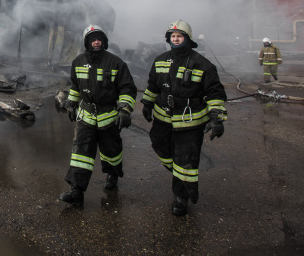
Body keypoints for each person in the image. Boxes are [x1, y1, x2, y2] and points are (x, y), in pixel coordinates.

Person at [140, 20, 227, 216]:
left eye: (179, 36)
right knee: (159, 145)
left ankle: (181, 197)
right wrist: (147, 103)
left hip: (190, 120)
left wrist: (217, 119)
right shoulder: (161, 60)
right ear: (169, 39)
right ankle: (179, 175)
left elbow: (215, 93)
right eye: (173, 36)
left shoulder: (203, 64)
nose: (176, 39)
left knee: (185, 158)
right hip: (163, 117)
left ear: (187, 39)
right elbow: (153, 85)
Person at [59, 25, 138, 206]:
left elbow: (127, 88)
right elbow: (75, 86)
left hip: (108, 116)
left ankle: (113, 174)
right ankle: (76, 191)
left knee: (111, 152)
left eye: (99, 39)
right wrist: (71, 103)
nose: (96, 41)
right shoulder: (78, 61)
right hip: (86, 115)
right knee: (81, 154)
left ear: (104, 41)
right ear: (87, 41)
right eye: (93, 39)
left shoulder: (116, 63)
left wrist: (125, 109)